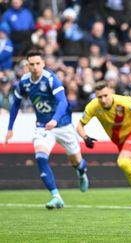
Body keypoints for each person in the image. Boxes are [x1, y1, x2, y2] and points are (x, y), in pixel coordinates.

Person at [5, 50, 89, 209]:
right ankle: (56, 196)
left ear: (43, 63)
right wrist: (10, 128)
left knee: (76, 162)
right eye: (32, 64)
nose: (35, 67)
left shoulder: (51, 79)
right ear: (27, 65)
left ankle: (81, 171)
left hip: (63, 125)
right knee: (40, 157)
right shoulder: (24, 82)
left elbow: (63, 102)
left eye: (38, 63)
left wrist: (55, 120)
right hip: (43, 127)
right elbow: (16, 104)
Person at [76, 81, 131, 209]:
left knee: (123, 162)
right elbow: (79, 125)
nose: (103, 99)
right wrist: (85, 137)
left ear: (111, 92)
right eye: (99, 97)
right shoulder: (93, 107)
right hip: (119, 140)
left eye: (105, 95)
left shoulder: (124, 102)